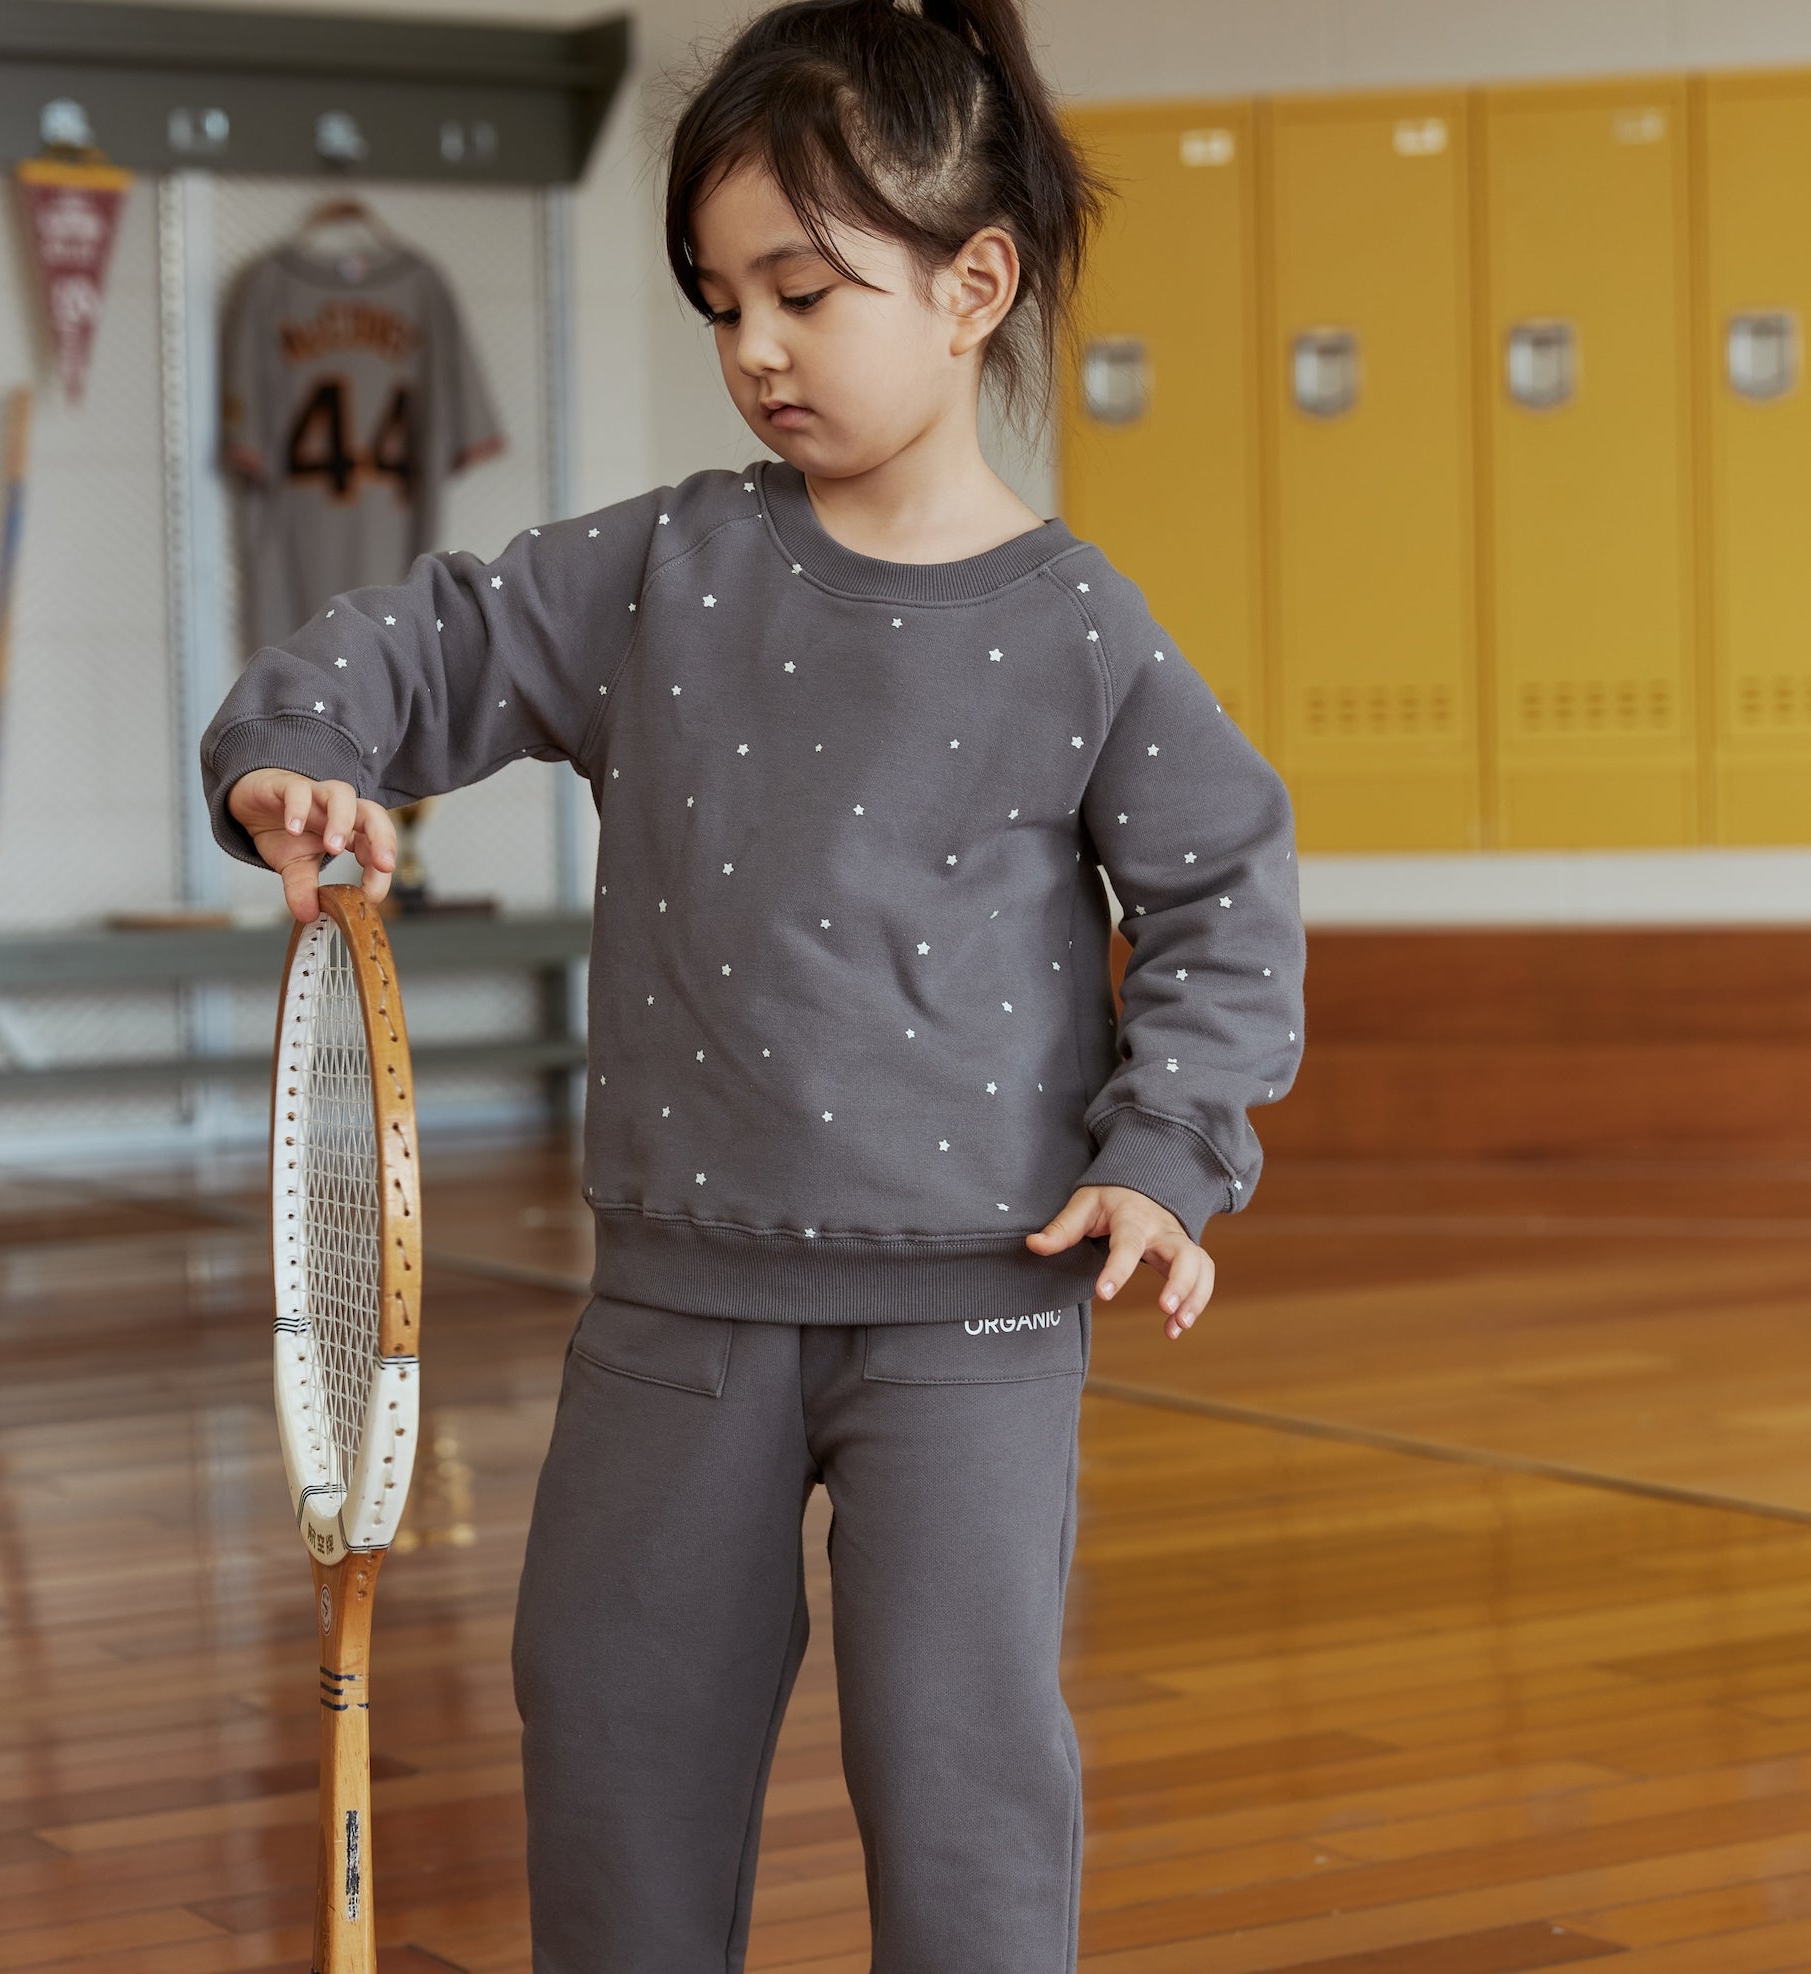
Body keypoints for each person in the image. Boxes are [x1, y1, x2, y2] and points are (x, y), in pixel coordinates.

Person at [200, 0, 1306, 1963]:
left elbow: (1223, 887)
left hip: (978, 1313)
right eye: (720, 303)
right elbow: (425, 644)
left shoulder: (1081, 629)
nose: (753, 348)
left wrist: (1171, 1147)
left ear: (975, 285)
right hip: (676, 1300)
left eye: (802, 290)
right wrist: (303, 755)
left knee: (965, 1787)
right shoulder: (658, 575)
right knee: (614, 1744)